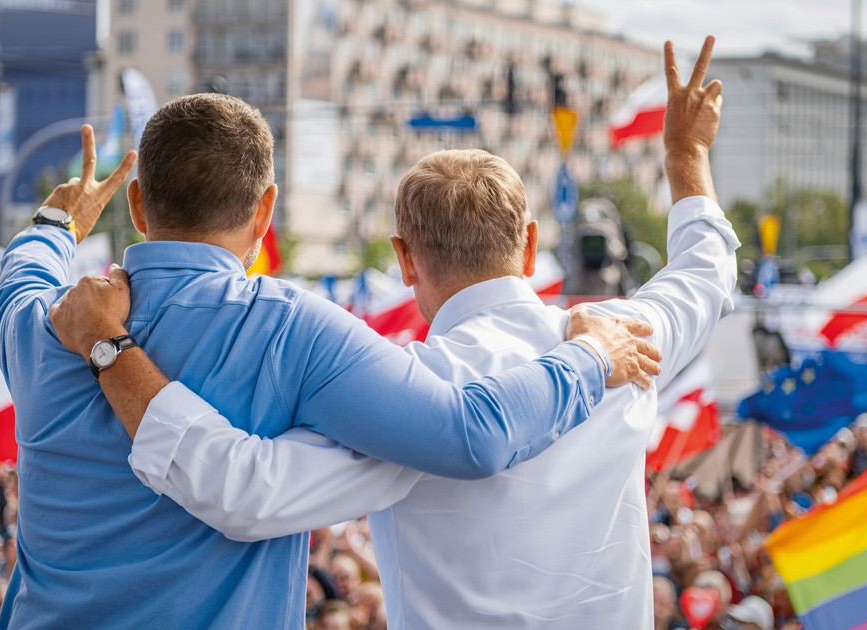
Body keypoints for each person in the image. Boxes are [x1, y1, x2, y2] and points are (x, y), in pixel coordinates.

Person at [50, 36, 736, 627]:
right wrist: (687, 152)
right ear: (529, 247)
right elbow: (707, 270)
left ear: (405, 260)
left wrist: (112, 350)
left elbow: (241, 490)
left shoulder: (413, 388)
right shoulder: (623, 338)